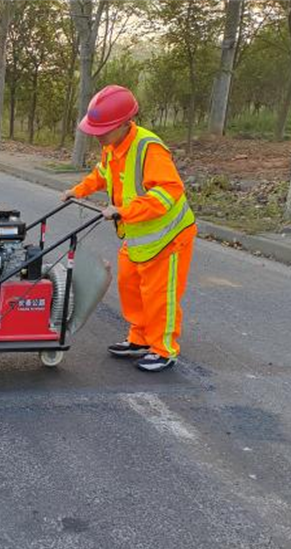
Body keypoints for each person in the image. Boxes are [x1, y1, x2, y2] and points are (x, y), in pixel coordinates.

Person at [62, 85, 197, 372]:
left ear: (125, 123)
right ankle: (139, 339)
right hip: (139, 236)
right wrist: (78, 190)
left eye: (103, 130)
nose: (98, 136)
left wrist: (123, 211)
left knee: (159, 296)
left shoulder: (150, 148)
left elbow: (168, 192)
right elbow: (102, 175)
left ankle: (163, 350)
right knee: (131, 288)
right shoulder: (112, 148)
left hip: (168, 237)